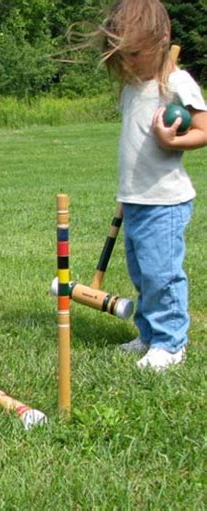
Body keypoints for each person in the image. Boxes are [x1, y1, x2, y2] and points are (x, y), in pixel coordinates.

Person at [98, 0, 207, 370]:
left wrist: (173, 141)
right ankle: (148, 334)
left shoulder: (176, 83)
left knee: (163, 273)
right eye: (123, 55)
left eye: (136, 53)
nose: (129, 63)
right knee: (143, 273)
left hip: (165, 200)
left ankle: (171, 343)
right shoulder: (133, 86)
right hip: (136, 199)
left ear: (161, 39)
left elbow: (203, 130)